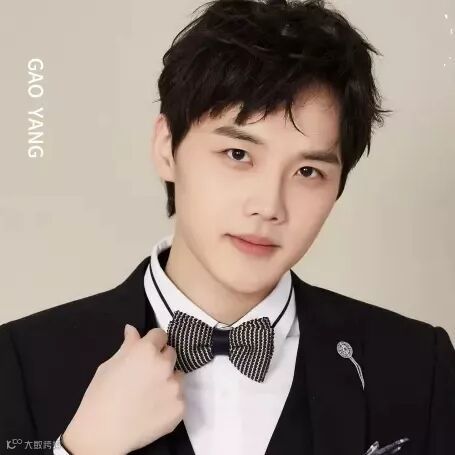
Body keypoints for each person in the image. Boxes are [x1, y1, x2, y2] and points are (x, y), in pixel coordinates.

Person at [1, 0, 454, 454]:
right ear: (166, 147)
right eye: (238, 155)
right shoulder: (19, 361)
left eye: (308, 172)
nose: (269, 206)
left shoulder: (419, 366)